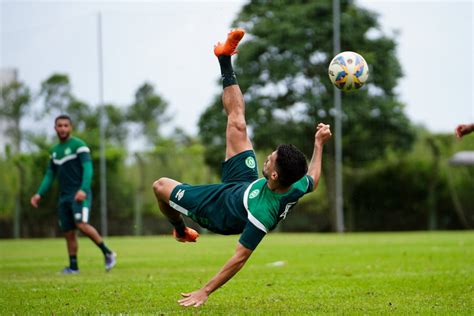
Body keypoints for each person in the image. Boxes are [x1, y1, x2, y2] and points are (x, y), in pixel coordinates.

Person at [152, 29, 332, 307]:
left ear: (273, 174)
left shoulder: (264, 212)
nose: (267, 157)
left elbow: (239, 257)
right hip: (245, 185)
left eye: (270, 159)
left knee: (161, 186)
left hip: (221, 210)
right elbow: (314, 179)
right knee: (238, 123)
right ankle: (225, 58)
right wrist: (318, 144)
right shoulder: (294, 183)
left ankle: (179, 229)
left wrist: (205, 291)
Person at [30, 115, 116, 274]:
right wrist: (38, 194)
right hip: (64, 197)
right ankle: (73, 267)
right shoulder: (54, 152)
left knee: (81, 224)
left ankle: (108, 253)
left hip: (79, 194)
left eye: (65, 125)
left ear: (71, 127)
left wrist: (83, 189)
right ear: (55, 128)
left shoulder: (79, 146)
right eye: (59, 126)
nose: (62, 128)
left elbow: (88, 169)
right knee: (68, 232)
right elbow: (50, 175)